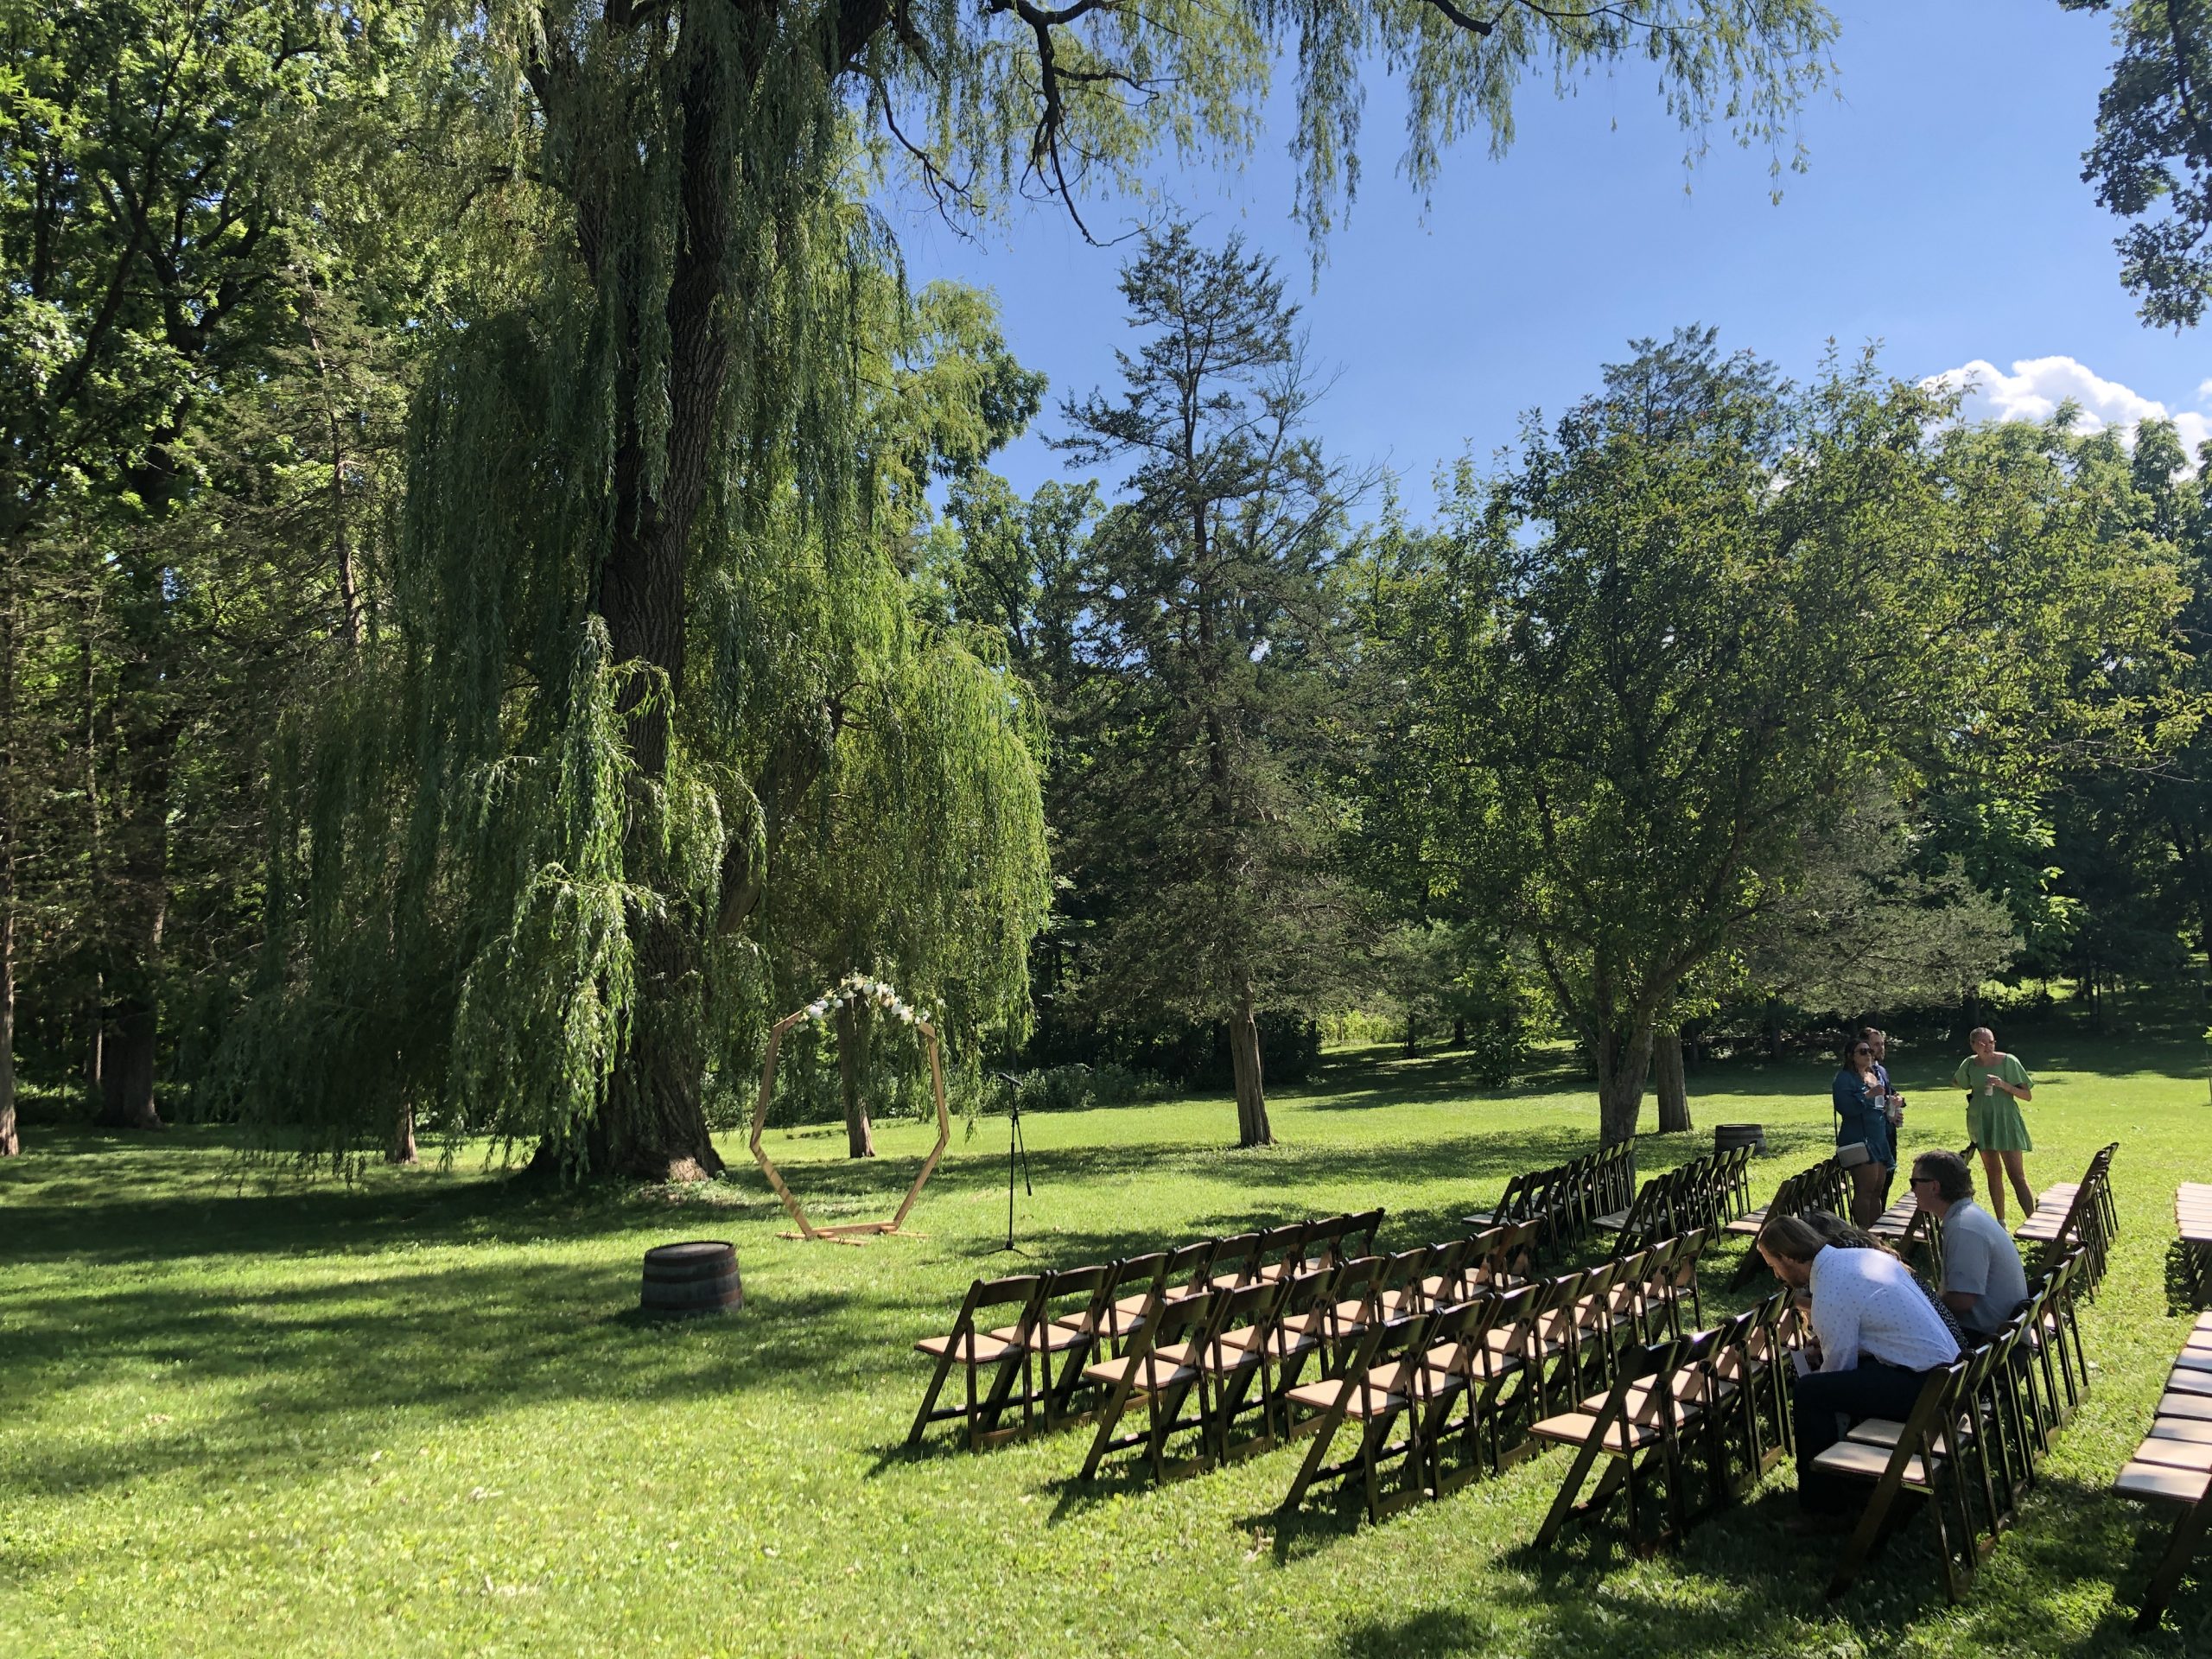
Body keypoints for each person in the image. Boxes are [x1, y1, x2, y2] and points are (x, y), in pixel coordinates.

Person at [1758, 1213, 1961, 1525]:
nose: (1776, 1275)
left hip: (1923, 1387)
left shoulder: (1830, 1287)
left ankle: (1822, 1507)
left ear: (1787, 1257)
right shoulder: (1860, 1257)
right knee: (1829, 1389)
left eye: (1774, 1266)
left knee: (1812, 1393)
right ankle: (1848, 1478)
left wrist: (1818, 1369)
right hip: (1950, 1377)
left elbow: (1839, 1366)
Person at [1908, 1148, 2030, 1342]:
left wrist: (1921, 1309)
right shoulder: (1966, 1216)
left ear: (1934, 1187)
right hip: (1997, 1339)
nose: (1912, 1190)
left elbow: (1961, 1301)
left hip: (1988, 1346)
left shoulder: (1964, 1228)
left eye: (1914, 1183)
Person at [1952, 1027, 2036, 1223]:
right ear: (1973, 1045)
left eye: (1991, 1042)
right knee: (1993, 1174)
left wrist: (2004, 1085)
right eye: (1982, 1043)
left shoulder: (2009, 1061)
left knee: (2017, 1175)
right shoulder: (1970, 1064)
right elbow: (1957, 1082)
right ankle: (2001, 1222)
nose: (1988, 1046)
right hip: (1981, 1122)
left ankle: (2034, 1221)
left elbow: (2027, 1095)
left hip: (2006, 1121)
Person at [1831, 1035, 1894, 1230]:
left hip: (1878, 1137)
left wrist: (1891, 1108)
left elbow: (1878, 1105)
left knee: (1877, 1191)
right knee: (1864, 1191)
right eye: (1863, 1051)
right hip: (1859, 1139)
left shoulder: (1872, 1075)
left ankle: (1876, 1234)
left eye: (1870, 1051)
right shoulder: (1844, 1079)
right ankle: (1863, 1233)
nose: (1869, 1055)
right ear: (1851, 1056)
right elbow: (1846, 1108)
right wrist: (1868, 1095)